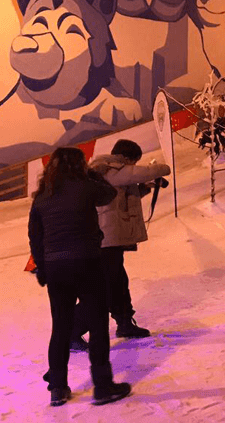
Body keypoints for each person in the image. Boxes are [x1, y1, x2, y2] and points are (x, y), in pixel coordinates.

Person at [28, 147, 132, 407]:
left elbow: (35, 236)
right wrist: (93, 175)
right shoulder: (85, 186)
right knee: (98, 325)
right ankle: (103, 386)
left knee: (60, 326)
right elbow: (108, 195)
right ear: (80, 165)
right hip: (86, 261)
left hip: (56, 268)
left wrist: (42, 267)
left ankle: (58, 388)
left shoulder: (42, 196)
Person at [72, 139, 170, 343]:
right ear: (126, 158)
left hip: (111, 240)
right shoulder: (106, 168)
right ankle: (72, 331)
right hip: (103, 240)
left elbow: (121, 198)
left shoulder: (114, 172)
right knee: (104, 287)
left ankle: (124, 322)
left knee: (118, 283)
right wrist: (162, 167)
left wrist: (147, 187)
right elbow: (135, 174)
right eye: (134, 161)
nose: (134, 166)